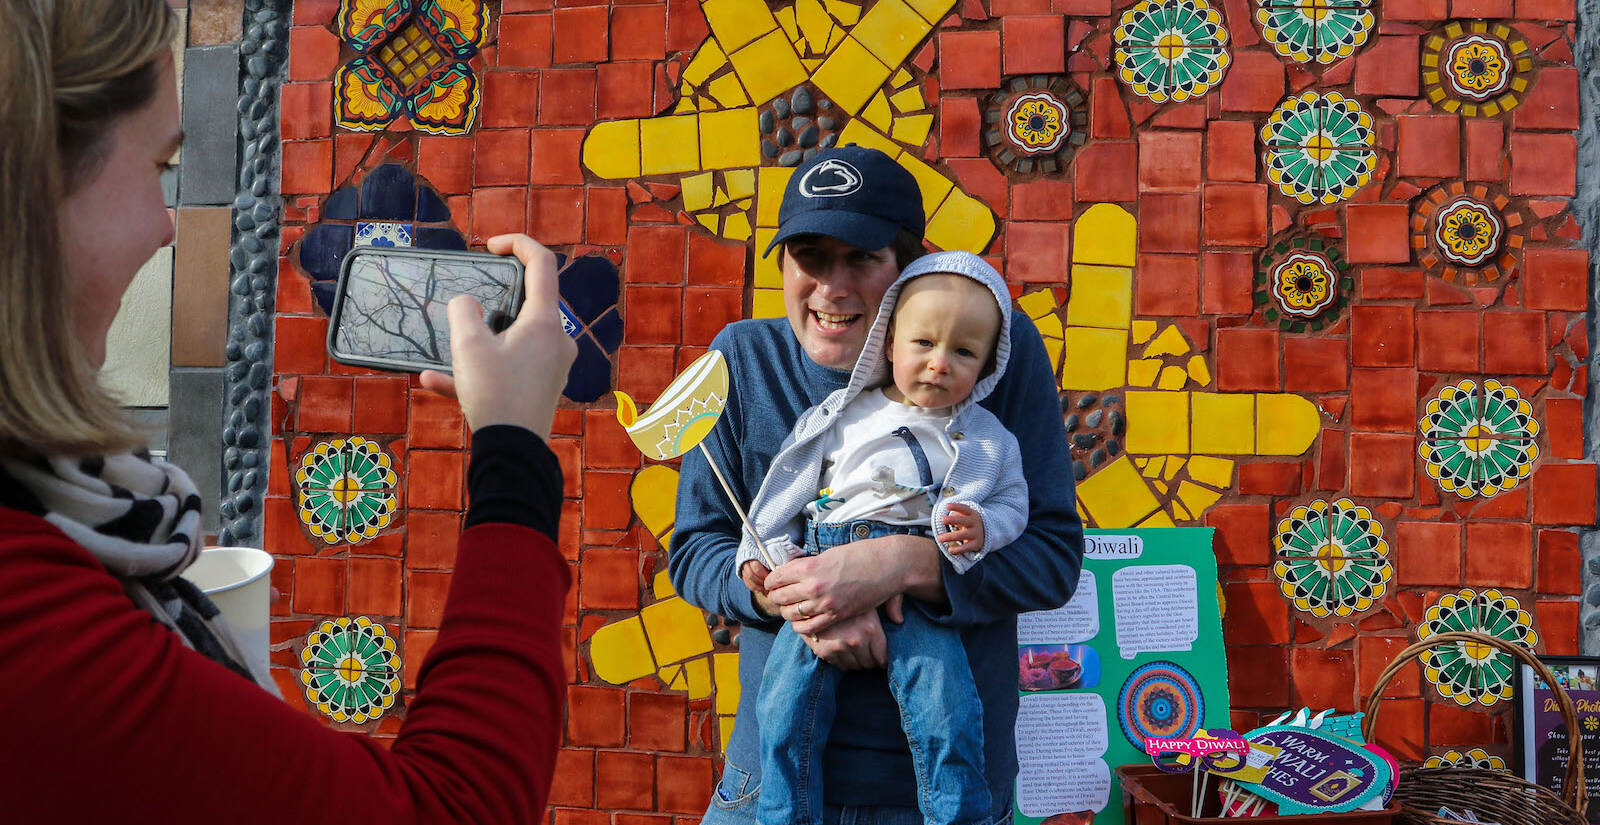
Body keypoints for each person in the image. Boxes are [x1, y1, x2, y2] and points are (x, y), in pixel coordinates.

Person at [0, 2, 575, 821]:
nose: (168, 227)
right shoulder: (34, 628)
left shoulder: (74, 523)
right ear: (36, 192)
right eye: (160, 169)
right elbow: (455, 806)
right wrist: (514, 449)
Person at [670, 143, 1084, 824]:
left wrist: (905, 563)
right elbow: (696, 551)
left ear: (909, 266)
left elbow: (1052, 558)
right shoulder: (742, 359)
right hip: (765, 788)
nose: (832, 287)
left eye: (861, 258)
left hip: (947, 798)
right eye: (810, 257)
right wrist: (798, 598)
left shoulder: (990, 354)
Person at [739, 250, 1029, 825]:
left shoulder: (986, 438)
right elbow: (786, 493)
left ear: (988, 367)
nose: (939, 364)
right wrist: (764, 559)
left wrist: (983, 529)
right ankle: (780, 812)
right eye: (923, 343)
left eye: (964, 352)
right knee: (782, 707)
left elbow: (1014, 505)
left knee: (945, 703)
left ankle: (957, 813)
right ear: (890, 341)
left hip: (919, 593)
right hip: (820, 561)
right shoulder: (841, 414)